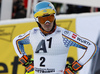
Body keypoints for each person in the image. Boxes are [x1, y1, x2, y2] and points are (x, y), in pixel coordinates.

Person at [13, 1, 98, 74]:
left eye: (50, 17)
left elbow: (91, 46)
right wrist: (24, 59)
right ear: (37, 20)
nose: (47, 22)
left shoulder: (64, 35)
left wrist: (76, 66)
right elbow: (16, 41)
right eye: (43, 19)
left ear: (55, 17)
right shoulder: (33, 34)